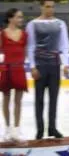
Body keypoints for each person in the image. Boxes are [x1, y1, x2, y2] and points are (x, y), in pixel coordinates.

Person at [26, 0, 69, 140]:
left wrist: (66, 63)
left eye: (52, 6)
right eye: (47, 6)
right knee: (39, 99)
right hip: (40, 65)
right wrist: (32, 66)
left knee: (54, 98)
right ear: (41, 7)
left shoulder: (60, 24)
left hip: (54, 65)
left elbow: (64, 45)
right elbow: (31, 46)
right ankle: (40, 129)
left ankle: (52, 127)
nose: (50, 9)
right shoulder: (32, 24)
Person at [0, 8, 27, 142]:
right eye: (18, 17)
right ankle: (6, 129)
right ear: (10, 18)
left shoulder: (25, 34)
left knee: (18, 101)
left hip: (19, 69)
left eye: (21, 17)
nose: (21, 20)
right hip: (6, 69)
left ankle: (16, 129)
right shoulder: (2, 34)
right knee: (6, 100)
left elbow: (26, 51)